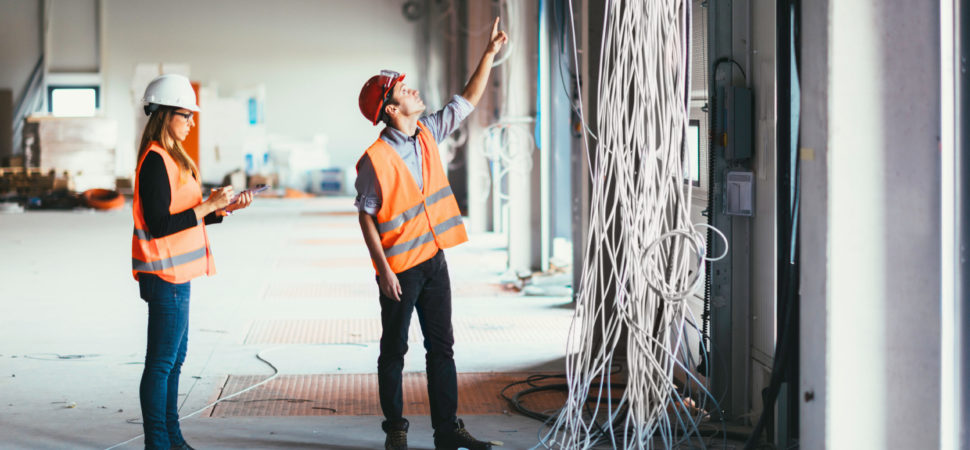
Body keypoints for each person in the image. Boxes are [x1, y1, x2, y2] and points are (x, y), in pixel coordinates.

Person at [354, 17, 509, 450]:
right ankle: (396, 431)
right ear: (390, 108)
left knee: (442, 348)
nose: (413, 91)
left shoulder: (426, 134)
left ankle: (447, 431)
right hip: (400, 271)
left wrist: (489, 55)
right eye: (404, 91)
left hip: (434, 261)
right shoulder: (375, 159)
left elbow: (467, 100)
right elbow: (365, 216)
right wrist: (383, 271)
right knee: (394, 353)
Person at [132, 73, 254, 450]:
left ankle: (172, 437)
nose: (191, 122)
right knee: (162, 362)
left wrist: (222, 210)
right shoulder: (154, 160)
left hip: (178, 273)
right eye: (186, 115)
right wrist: (209, 205)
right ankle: (158, 441)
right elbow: (159, 224)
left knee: (175, 359)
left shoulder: (174, 157)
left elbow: (185, 214)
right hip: (163, 274)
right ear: (166, 114)